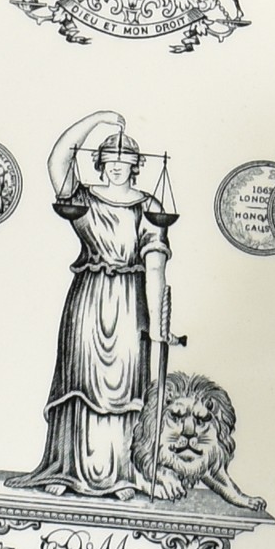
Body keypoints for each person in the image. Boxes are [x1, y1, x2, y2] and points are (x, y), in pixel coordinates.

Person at [31, 113, 177, 497]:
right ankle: (68, 471)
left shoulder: (151, 206)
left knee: (125, 384)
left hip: (130, 301)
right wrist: (95, 120)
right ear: (99, 164)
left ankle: (122, 475)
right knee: (80, 382)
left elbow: (155, 265)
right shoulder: (83, 200)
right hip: (88, 299)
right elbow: (57, 160)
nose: (116, 170)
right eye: (110, 163)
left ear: (135, 167)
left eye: (125, 164)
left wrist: (159, 323)